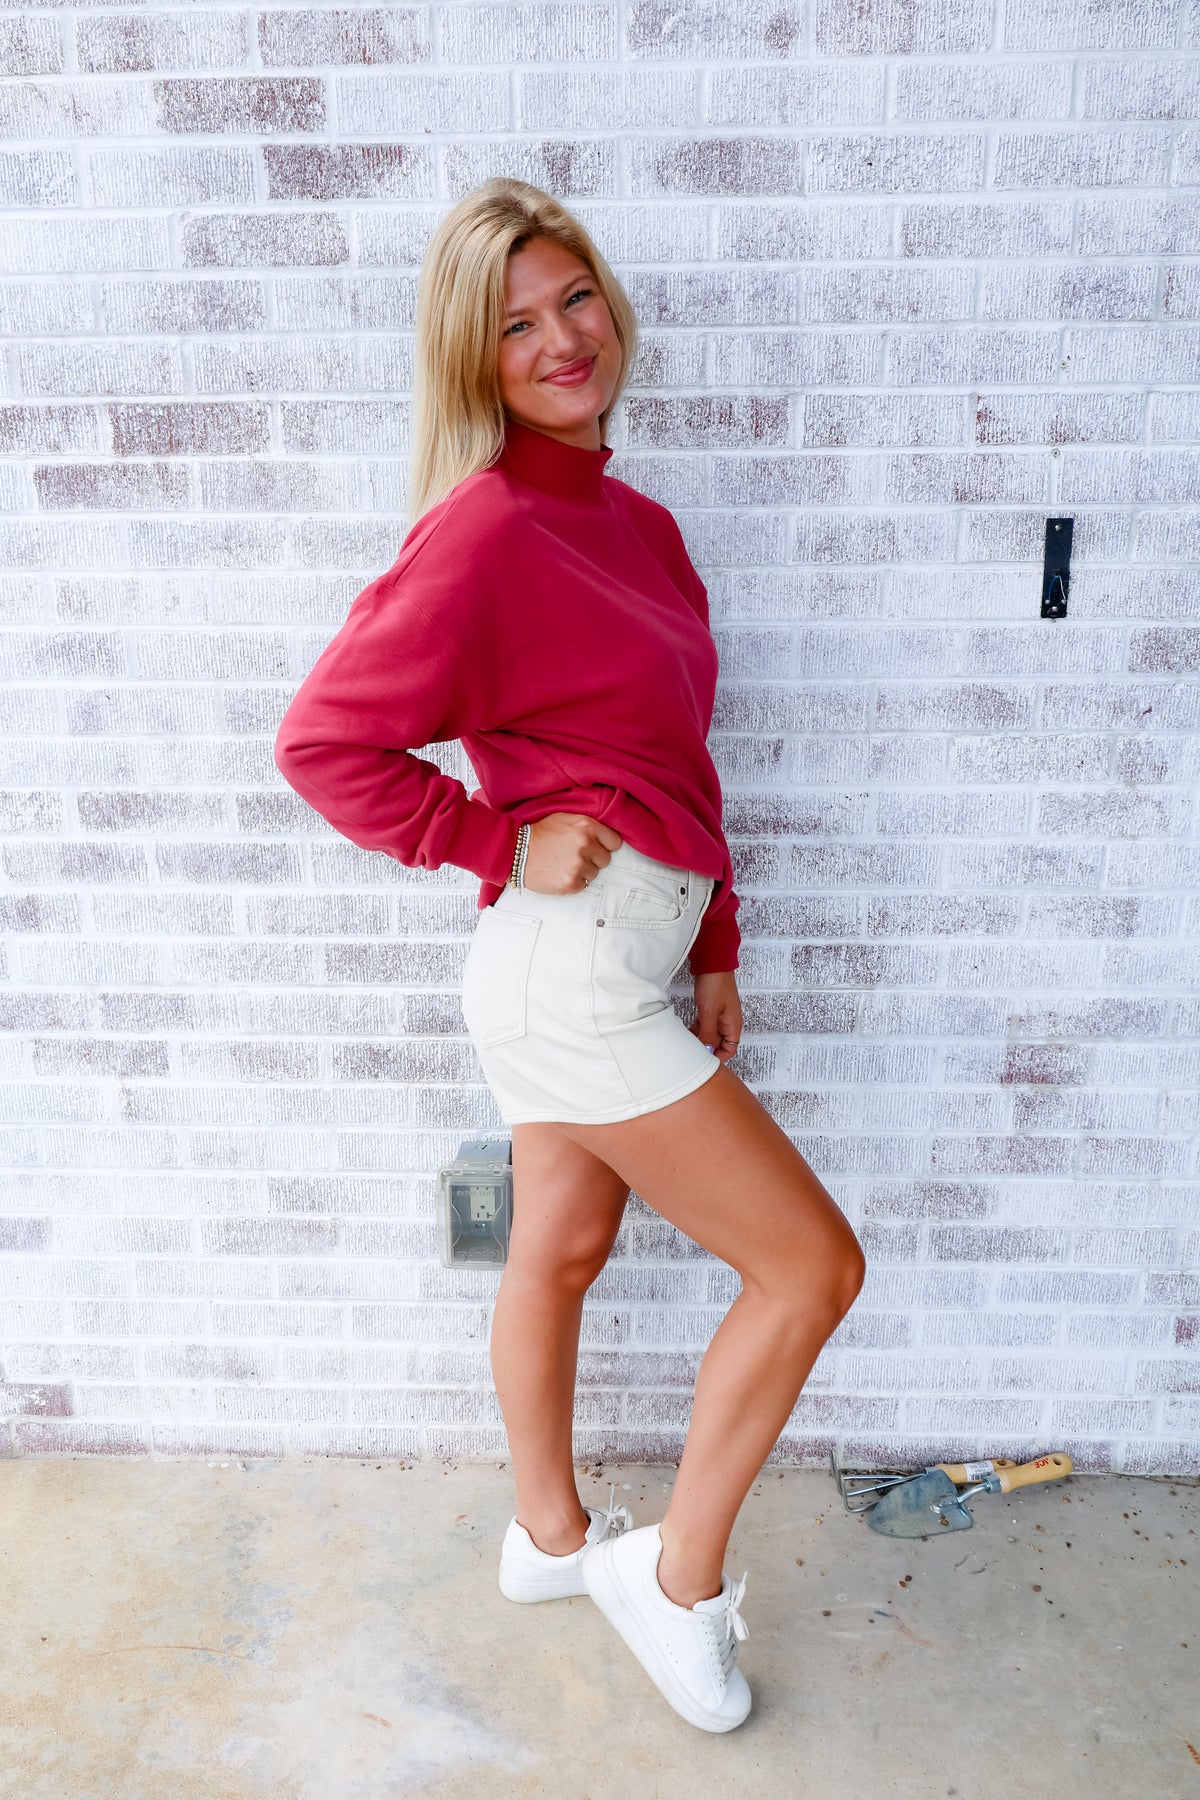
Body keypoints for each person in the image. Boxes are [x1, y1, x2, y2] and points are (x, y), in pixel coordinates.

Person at [274, 177, 866, 1735]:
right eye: (515, 324)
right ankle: (672, 1584)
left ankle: (548, 1543)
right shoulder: (481, 530)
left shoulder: (645, 529)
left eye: (575, 298)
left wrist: (717, 943)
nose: (560, 341)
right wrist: (492, 840)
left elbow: (678, 758)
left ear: (611, 303)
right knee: (811, 1268)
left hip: (619, 953)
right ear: (471, 359)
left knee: (560, 1249)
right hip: (566, 965)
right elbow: (323, 743)